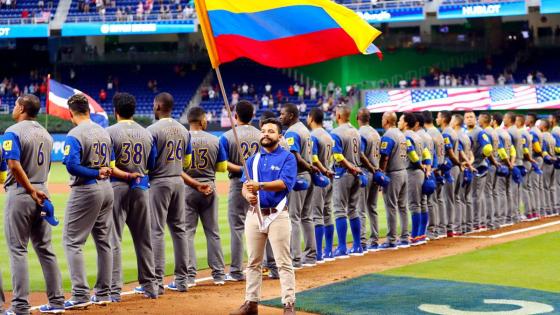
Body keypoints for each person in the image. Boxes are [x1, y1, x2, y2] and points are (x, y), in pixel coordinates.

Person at [2, 95, 65, 314]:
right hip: (43, 192)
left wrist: (29, 190)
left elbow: (13, 164)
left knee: (18, 249)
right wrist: (38, 191)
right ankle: (57, 302)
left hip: (22, 193)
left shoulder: (12, 132)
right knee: (45, 249)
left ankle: (20, 306)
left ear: (20, 108)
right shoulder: (47, 135)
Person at [230, 118, 297, 315]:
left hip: (277, 215)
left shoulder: (287, 158)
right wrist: (248, 194)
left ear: (279, 136)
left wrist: (260, 186)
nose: (266, 134)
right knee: (253, 262)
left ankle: (288, 304)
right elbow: (244, 185)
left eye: (271, 131)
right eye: (263, 131)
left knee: (283, 262)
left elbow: (284, 183)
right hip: (254, 215)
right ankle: (251, 303)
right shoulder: (252, 160)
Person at [62, 94, 114, 308]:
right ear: (89, 110)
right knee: (104, 241)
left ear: (70, 113)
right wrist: (100, 172)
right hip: (107, 189)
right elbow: (109, 163)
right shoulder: (103, 131)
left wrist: (93, 173)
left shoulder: (75, 133)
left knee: (72, 242)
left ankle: (80, 294)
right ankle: (103, 293)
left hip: (86, 190)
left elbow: (72, 166)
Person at [147, 92, 202, 293]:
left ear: (159, 106)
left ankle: (157, 282)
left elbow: (149, 162)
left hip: (159, 182)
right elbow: (187, 162)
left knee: (157, 230)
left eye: (154, 104)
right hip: (178, 181)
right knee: (179, 230)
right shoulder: (183, 129)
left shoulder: (152, 130)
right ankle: (182, 280)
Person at [106, 92, 158, 301]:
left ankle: (114, 290)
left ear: (115, 111)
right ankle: (150, 287)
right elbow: (152, 165)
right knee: (144, 238)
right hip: (141, 188)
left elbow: (108, 167)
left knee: (114, 239)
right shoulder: (146, 134)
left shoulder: (109, 132)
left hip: (117, 187)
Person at [184, 106, 228, 286]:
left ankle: (189, 276)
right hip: (209, 187)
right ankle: (218, 275)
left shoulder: (183, 138)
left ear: (189, 121)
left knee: (187, 233)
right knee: (213, 233)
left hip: (188, 187)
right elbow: (223, 168)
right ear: (203, 121)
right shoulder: (214, 139)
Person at [221, 101, 261, 282]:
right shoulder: (262, 135)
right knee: (264, 223)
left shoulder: (228, 136)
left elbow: (222, 165)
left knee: (237, 227)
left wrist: (240, 169)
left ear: (235, 116)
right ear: (252, 116)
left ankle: (236, 270)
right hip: (260, 184)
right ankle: (270, 266)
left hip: (238, 183)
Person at [280, 103, 318, 268]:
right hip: (308, 176)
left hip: (299, 177)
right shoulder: (304, 129)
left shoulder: (293, 131)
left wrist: (308, 167)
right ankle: (311, 255)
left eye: (283, 114)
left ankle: (295, 258)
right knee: (306, 216)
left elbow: (294, 156)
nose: (280, 116)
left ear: (290, 115)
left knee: (294, 217)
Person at [307, 108, 335, 262]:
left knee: (317, 215)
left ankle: (318, 253)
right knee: (327, 213)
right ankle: (329, 251)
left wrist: (322, 170)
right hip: (330, 177)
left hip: (319, 178)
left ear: (311, 118)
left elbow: (314, 158)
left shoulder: (313, 136)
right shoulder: (328, 135)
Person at [378, 112, 408, 250]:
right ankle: (405, 237)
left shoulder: (388, 135)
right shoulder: (402, 134)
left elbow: (384, 157)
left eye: (383, 118)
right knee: (402, 207)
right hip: (404, 172)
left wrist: (381, 173)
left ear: (387, 121)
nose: (382, 120)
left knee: (391, 207)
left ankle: (391, 239)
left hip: (393, 173)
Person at [399, 113, 428, 247]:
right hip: (420, 172)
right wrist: (426, 167)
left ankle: (415, 235)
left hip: (413, 172)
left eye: (400, 120)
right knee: (422, 203)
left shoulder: (406, 136)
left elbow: (411, 152)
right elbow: (427, 153)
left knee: (414, 204)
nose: (399, 122)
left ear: (405, 123)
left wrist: (420, 165)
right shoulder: (418, 135)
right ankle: (421, 234)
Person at [465, 111, 495, 231]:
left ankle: (478, 222)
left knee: (476, 195)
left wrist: (482, 156)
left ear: (476, 119)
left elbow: (488, 147)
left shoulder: (479, 132)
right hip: (472, 166)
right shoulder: (467, 132)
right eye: (467, 117)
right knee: (476, 195)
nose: (469, 119)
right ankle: (479, 221)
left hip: (478, 166)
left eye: (471, 117)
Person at [357, 108, 381, 251]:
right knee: (372, 207)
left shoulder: (360, 133)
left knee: (361, 209)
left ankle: (362, 241)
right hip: (376, 172)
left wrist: (370, 167)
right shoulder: (376, 133)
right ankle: (375, 239)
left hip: (366, 171)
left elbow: (360, 155)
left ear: (357, 118)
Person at [437, 111, 462, 237]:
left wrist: (458, 163)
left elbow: (451, 153)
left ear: (443, 119)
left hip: (450, 168)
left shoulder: (446, 132)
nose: (437, 118)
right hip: (455, 168)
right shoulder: (453, 132)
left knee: (448, 198)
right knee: (454, 198)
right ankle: (455, 226)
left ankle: (448, 228)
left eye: (438, 116)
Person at [479, 112, 506, 230]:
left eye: (478, 118)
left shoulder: (485, 132)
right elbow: (501, 150)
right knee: (493, 192)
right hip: (496, 163)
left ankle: (489, 221)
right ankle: (496, 220)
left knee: (487, 193)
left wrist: (492, 160)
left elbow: (488, 149)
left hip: (490, 164)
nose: (477, 120)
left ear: (483, 120)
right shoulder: (495, 132)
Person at [413, 112, 435, 244]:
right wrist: (430, 169)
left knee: (417, 204)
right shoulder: (427, 135)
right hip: (428, 171)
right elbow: (432, 156)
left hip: (419, 171)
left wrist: (424, 169)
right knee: (424, 203)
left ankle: (419, 234)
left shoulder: (417, 136)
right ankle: (423, 233)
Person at [423, 111, 445, 240]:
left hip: (434, 169)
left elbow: (431, 156)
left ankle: (433, 230)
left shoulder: (429, 134)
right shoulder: (437, 132)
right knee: (437, 200)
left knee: (431, 201)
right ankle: (439, 228)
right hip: (440, 168)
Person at [515, 114, 537, 221]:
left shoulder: (521, 133)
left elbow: (525, 150)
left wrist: (529, 158)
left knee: (523, 189)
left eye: (516, 121)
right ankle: (532, 212)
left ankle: (527, 213)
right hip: (528, 162)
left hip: (524, 162)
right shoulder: (527, 132)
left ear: (519, 122)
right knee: (527, 188)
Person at [526, 113, 546, 219]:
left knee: (533, 186)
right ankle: (538, 210)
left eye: (527, 118)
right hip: (539, 159)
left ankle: (535, 211)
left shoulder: (533, 131)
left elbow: (537, 148)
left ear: (531, 120)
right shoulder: (538, 130)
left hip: (535, 158)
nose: (526, 119)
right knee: (537, 185)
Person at [537, 119, 556, 217]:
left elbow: (543, 150)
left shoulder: (543, 136)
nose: (538, 126)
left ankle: (547, 209)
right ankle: (554, 208)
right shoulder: (551, 136)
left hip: (546, 162)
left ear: (543, 126)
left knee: (544, 187)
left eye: (540, 125)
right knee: (551, 187)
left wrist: (547, 157)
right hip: (553, 163)